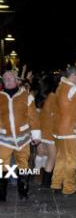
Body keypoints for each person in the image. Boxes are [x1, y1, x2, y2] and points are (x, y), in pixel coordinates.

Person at [0, 70, 41, 201]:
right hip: (4, 139)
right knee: (2, 166)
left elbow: (33, 117)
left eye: (10, 78)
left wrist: (36, 135)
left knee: (23, 165)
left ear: (16, 80)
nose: (7, 81)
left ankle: (23, 192)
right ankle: (1, 194)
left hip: (23, 138)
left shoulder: (26, 96)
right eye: (5, 79)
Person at [51, 67, 76, 195]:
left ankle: (56, 184)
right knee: (71, 160)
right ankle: (69, 188)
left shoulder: (60, 87)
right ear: (72, 76)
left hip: (58, 130)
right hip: (70, 131)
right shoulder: (75, 90)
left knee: (61, 158)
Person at [34, 75, 58, 188]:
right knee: (52, 157)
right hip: (50, 132)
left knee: (45, 155)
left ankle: (40, 177)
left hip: (42, 131)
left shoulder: (39, 97)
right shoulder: (52, 97)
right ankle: (46, 182)